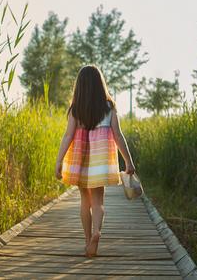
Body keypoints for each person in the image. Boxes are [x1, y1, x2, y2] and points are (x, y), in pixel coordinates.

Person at [55, 64, 136, 258]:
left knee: (85, 201)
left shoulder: (76, 109)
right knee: (98, 201)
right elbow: (118, 135)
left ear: (79, 86)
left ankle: (87, 240)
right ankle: (97, 231)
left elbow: (67, 136)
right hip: (101, 161)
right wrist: (128, 161)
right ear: (100, 84)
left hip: (81, 160)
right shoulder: (109, 107)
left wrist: (59, 161)